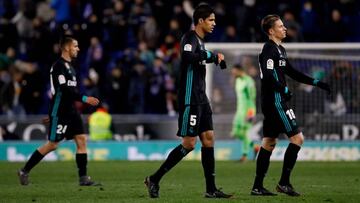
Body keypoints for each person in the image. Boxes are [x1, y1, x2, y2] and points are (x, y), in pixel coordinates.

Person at [144, 4, 232, 199]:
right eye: (211, 20)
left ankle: (211, 189)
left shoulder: (201, 42)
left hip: (202, 98)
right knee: (189, 143)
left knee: (208, 140)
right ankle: (154, 178)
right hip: (190, 98)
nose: (214, 23)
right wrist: (212, 56)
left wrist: (213, 58)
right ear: (200, 21)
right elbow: (186, 56)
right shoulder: (190, 37)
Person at [251, 14, 331, 196]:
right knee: (297, 139)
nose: (284, 28)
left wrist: (316, 83)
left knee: (269, 142)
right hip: (276, 101)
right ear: (271, 31)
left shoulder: (280, 50)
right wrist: (283, 90)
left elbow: (292, 72)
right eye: (280, 26)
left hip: (274, 101)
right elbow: (269, 76)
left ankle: (257, 186)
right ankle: (284, 183)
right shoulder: (268, 50)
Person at [17, 36, 100, 186]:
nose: (78, 49)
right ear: (67, 47)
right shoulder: (58, 67)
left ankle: (83, 178)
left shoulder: (71, 67)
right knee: (53, 144)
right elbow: (63, 90)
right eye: (75, 46)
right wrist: (84, 99)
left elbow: (68, 91)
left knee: (81, 140)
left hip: (71, 111)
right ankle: (24, 170)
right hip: (60, 110)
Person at [230, 64, 256, 162]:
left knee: (245, 133)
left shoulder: (249, 81)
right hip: (239, 111)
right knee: (235, 132)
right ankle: (254, 146)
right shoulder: (237, 80)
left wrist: (250, 114)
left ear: (240, 71)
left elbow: (252, 98)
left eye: (234, 72)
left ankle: (244, 155)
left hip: (248, 110)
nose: (233, 74)